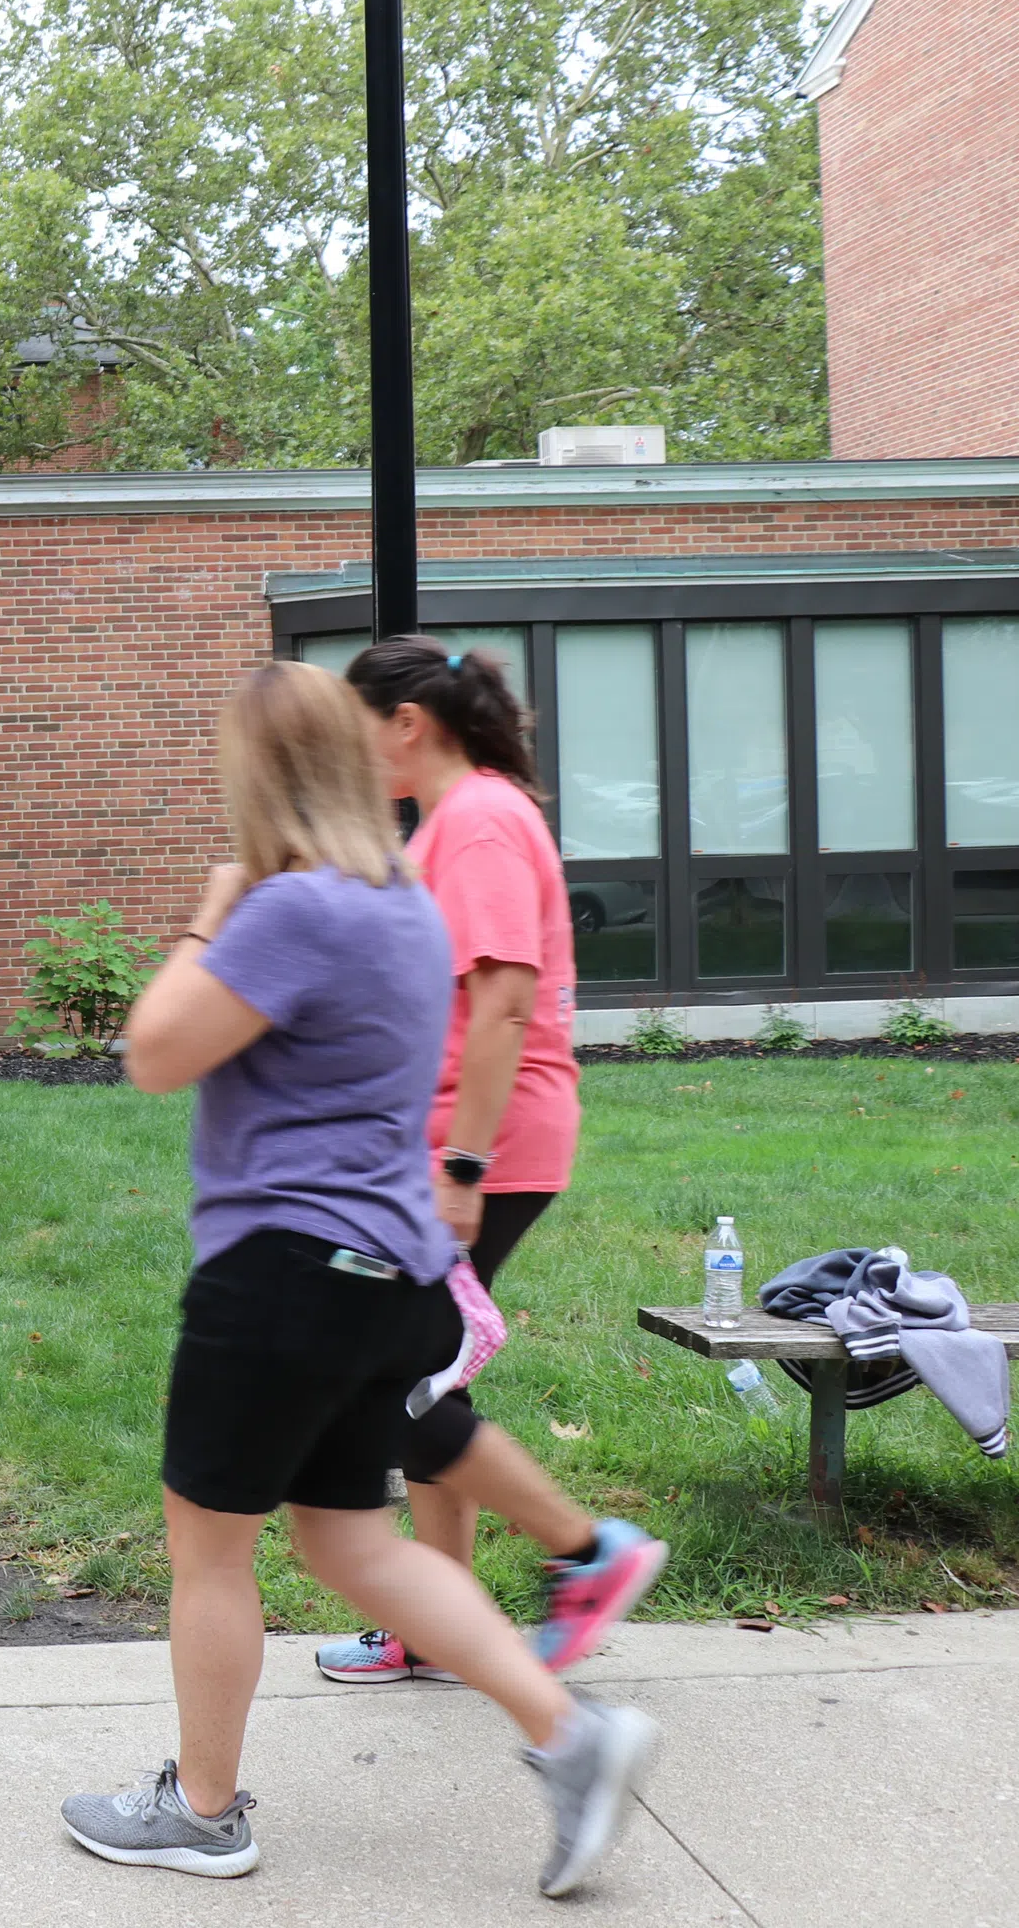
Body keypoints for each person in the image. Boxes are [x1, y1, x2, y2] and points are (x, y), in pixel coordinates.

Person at [58, 660, 653, 1900]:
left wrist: (211, 912)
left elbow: (154, 1054)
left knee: (209, 1549)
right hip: (392, 1272)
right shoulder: (403, 904)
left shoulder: (293, 907)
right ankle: (568, 1730)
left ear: (256, 777)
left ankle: (203, 1810)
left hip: (284, 1271)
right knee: (347, 1538)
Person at [313, 639, 666, 1685]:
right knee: (415, 1374)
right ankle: (437, 1615)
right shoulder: (462, 820)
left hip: (482, 1150)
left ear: (407, 724)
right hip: (451, 1146)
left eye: (355, 731)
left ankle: (589, 1550)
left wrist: (460, 1162)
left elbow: (506, 998)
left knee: (395, 1388)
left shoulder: (479, 822)